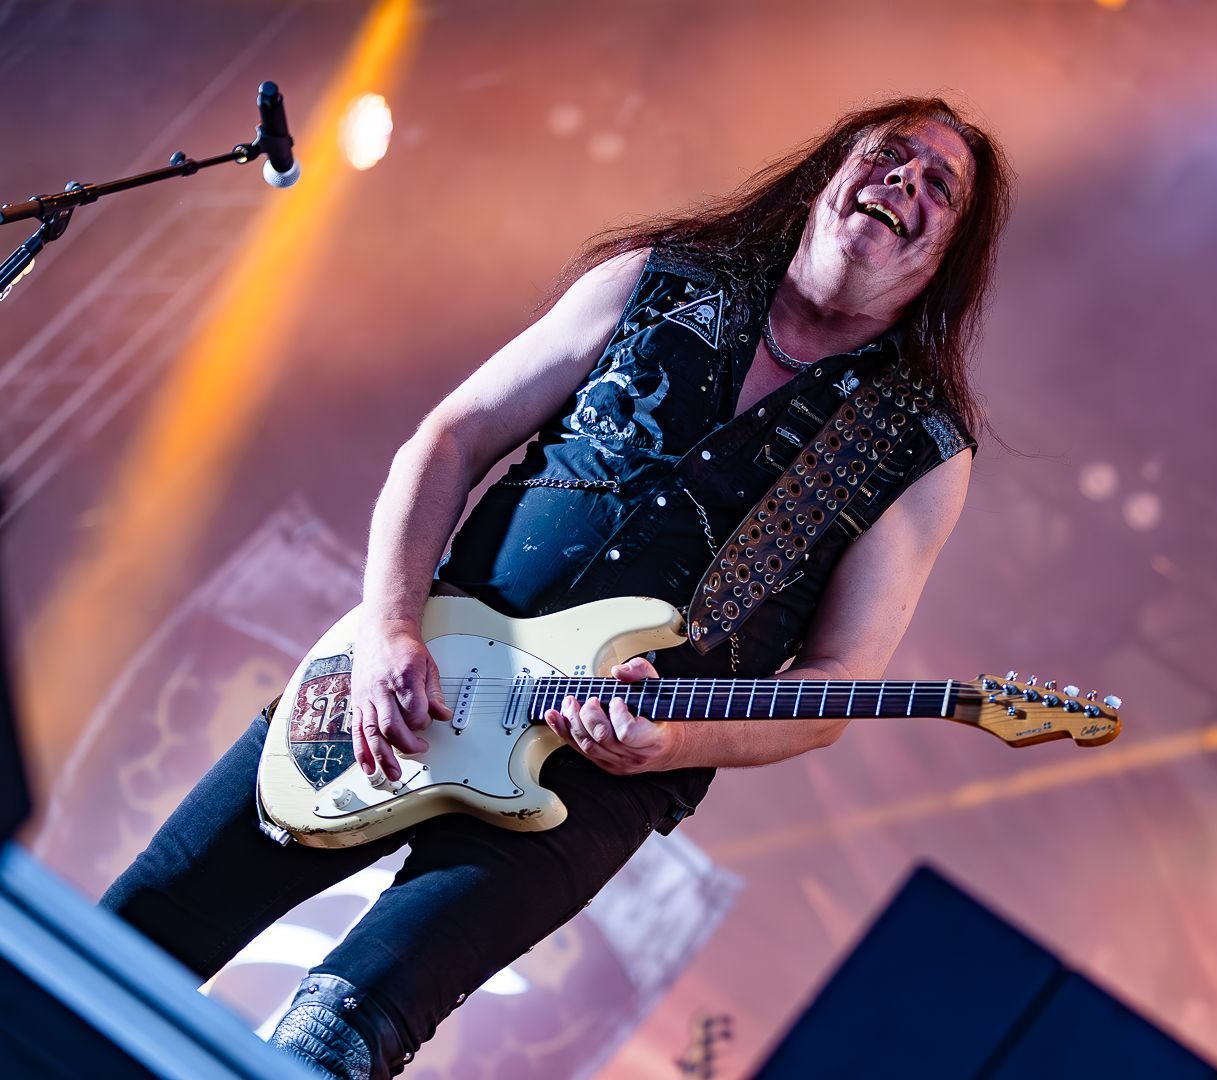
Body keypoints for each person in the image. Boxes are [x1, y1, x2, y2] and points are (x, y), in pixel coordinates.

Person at [100, 96, 1012, 1078]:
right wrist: (391, 630)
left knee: (335, 1038)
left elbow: (835, 684)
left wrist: (673, 743)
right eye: (888, 155)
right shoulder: (663, 277)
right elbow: (450, 439)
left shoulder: (918, 447)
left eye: (939, 186)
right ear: (831, 173)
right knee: (131, 937)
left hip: (589, 785)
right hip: (420, 674)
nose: (903, 182)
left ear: (946, 255)